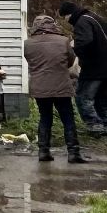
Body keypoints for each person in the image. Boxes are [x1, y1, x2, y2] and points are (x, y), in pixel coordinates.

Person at [24, 14, 86, 163]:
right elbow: (70, 62)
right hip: (61, 86)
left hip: (40, 87)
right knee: (68, 119)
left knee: (45, 118)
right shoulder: (64, 41)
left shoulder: (28, 43)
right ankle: (73, 153)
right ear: (52, 25)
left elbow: (30, 61)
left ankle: (43, 152)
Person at [60, 0, 107, 137]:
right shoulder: (96, 17)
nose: (66, 21)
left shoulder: (82, 22)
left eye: (64, 17)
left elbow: (85, 41)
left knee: (83, 98)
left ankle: (94, 126)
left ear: (69, 14)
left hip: (94, 68)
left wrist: (75, 50)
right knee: (102, 99)